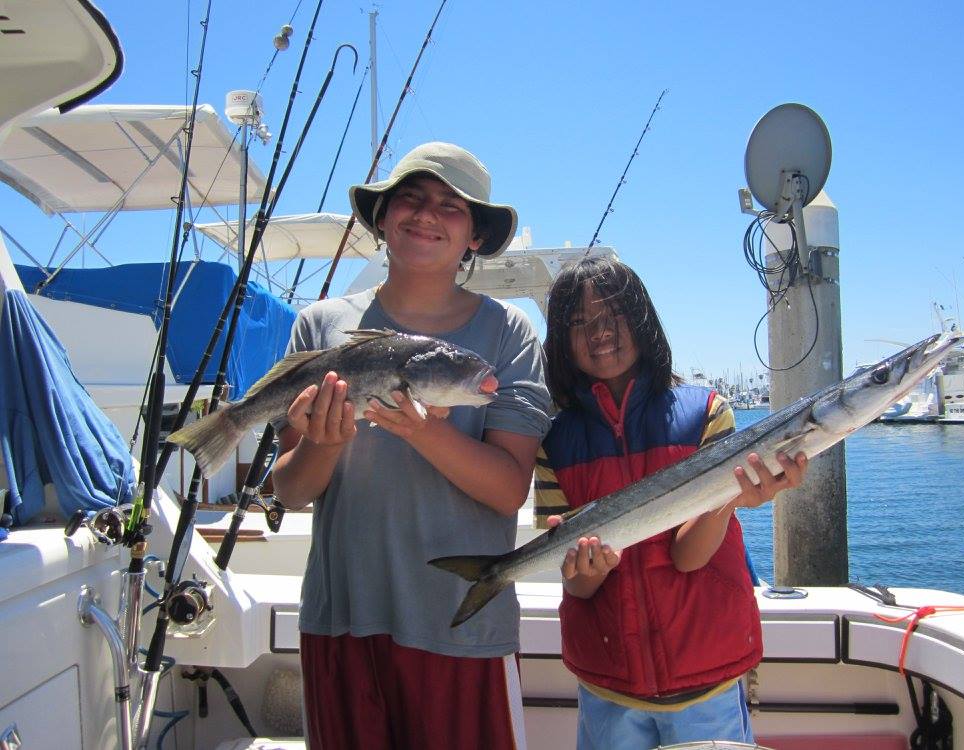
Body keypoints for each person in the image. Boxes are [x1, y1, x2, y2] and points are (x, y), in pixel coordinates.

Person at [272, 142, 551, 750]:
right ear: (383, 216)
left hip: (460, 626)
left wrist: (424, 430)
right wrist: (324, 443)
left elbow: (508, 489)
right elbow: (290, 489)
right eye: (412, 198)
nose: (427, 215)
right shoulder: (320, 325)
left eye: (452, 207)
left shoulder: (510, 335)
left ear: (475, 235)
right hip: (342, 620)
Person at [533, 255, 808, 749]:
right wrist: (587, 567)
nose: (600, 332)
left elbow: (689, 555)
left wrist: (726, 498)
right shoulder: (554, 443)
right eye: (579, 322)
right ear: (559, 340)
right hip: (607, 682)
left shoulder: (705, 412)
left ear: (642, 319)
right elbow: (579, 590)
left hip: (707, 679)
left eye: (614, 314)